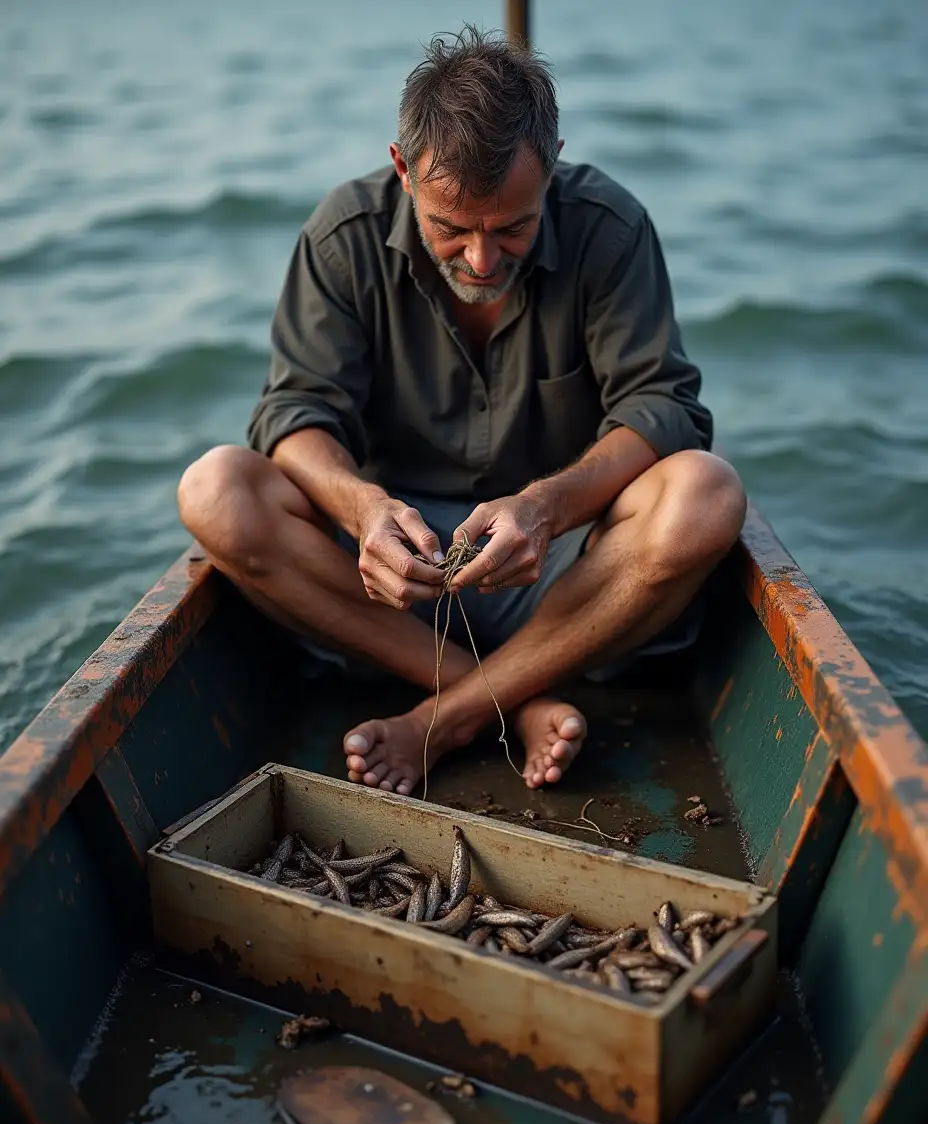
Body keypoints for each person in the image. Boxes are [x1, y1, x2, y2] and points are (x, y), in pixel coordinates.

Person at [178, 26, 746, 798]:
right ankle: (511, 693)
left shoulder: (610, 230)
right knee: (216, 488)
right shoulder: (343, 237)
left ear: (551, 167)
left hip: (568, 579)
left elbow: (664, 407)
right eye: (452, 228)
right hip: (389, 591)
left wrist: (545, 507)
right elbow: (295, 414)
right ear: (403, 171)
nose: (482, 259)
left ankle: (441, 718)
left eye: (513, 225)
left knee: (706, 492)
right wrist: (364, 509)